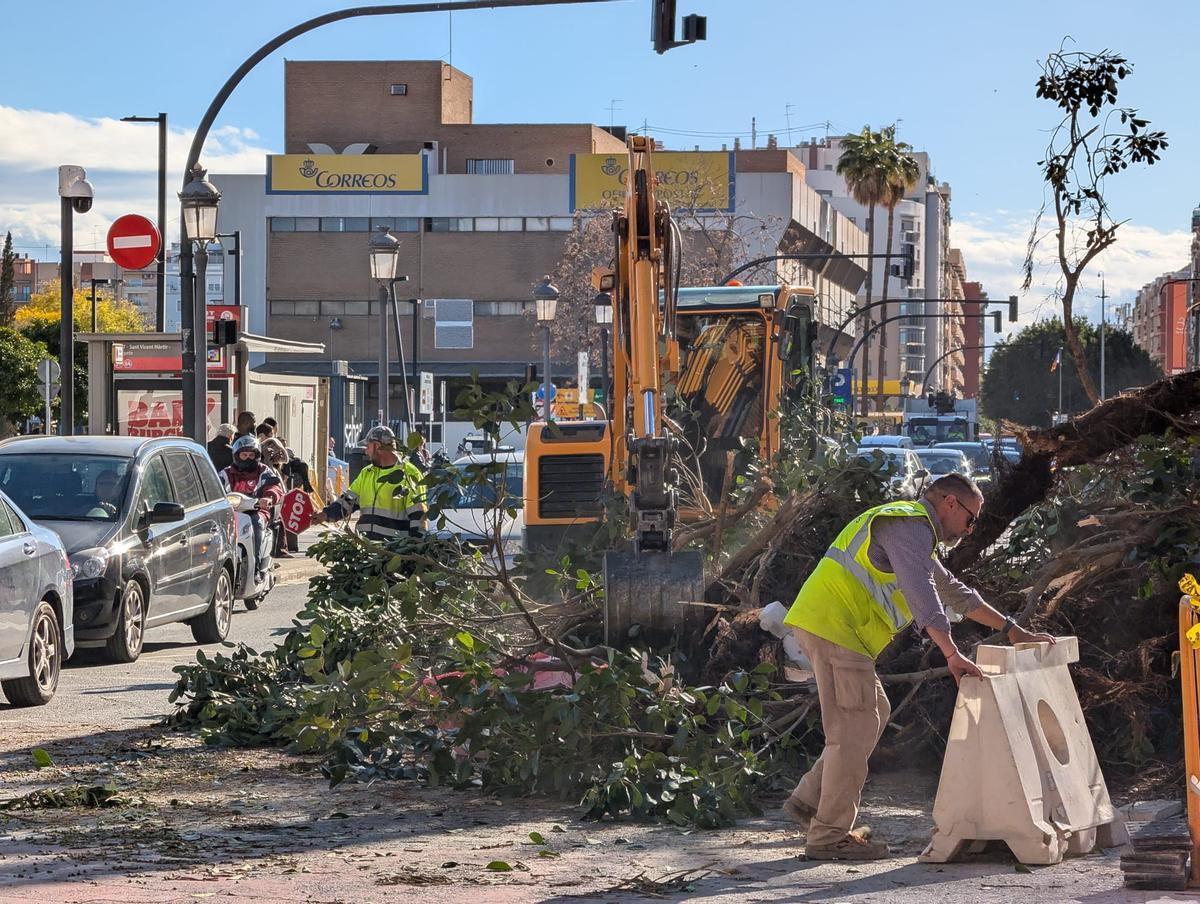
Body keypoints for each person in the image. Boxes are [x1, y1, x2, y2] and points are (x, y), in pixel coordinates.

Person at [781, 473, 1055, 861]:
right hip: (835, 629)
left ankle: (811, 801)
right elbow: (923, 595)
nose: (970, 528)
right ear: (949, 503)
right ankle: (828, 836)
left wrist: (1013, 629)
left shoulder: (913, 536)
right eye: (971, 518)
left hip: (834, 629)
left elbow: (956, 593)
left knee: (875, 713)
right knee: (852, 730)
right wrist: (951, 653)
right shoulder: (909, 526)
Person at [310, 425, 424, 542]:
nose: (365, 451)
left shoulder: (409, 474)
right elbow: (347, 502)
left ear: (377, 445)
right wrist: (324, 515)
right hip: (366, 548)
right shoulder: (367, 473)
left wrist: (413, 549)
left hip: (395, 551)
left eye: (368, 446)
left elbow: (419, 517)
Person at [219, 435, 284, 583]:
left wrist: (268, 498)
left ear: (257, 456)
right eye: (244, 454)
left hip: (257, 511)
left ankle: (258, 567)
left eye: (251, 455)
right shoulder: (226, 473)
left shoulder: (264, 471)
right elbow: (216, 488)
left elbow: (275, 486)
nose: (247, 458)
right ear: (237, 455)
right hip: (233, 512)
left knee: (257, 524)